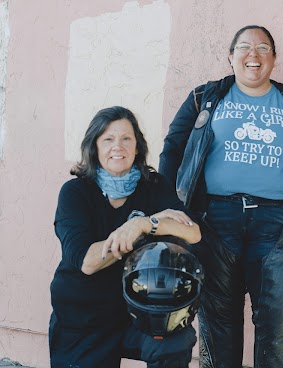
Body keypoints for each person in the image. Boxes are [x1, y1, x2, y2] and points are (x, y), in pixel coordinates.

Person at [159, 25, 283, 368]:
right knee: (218, 325)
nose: (253, 55)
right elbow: (172, 150)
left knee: (278, 326)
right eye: (244, 48)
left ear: (274, 59)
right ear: (231, 57)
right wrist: (172, 210)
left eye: (263, 48)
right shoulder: (204, 99)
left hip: (281, 224)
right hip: (215, 222)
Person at [49, 106, 202, 368]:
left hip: (140, 314)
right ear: (94, 146)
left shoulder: (154, 186)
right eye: (108, 139)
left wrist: (145, 224)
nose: (117, 147)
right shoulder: (75, 193)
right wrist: (129, 230)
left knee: (176, 340)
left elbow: (193, 232)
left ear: (137, 146)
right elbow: (86, 260)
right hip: (83, 318)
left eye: (126, 139)